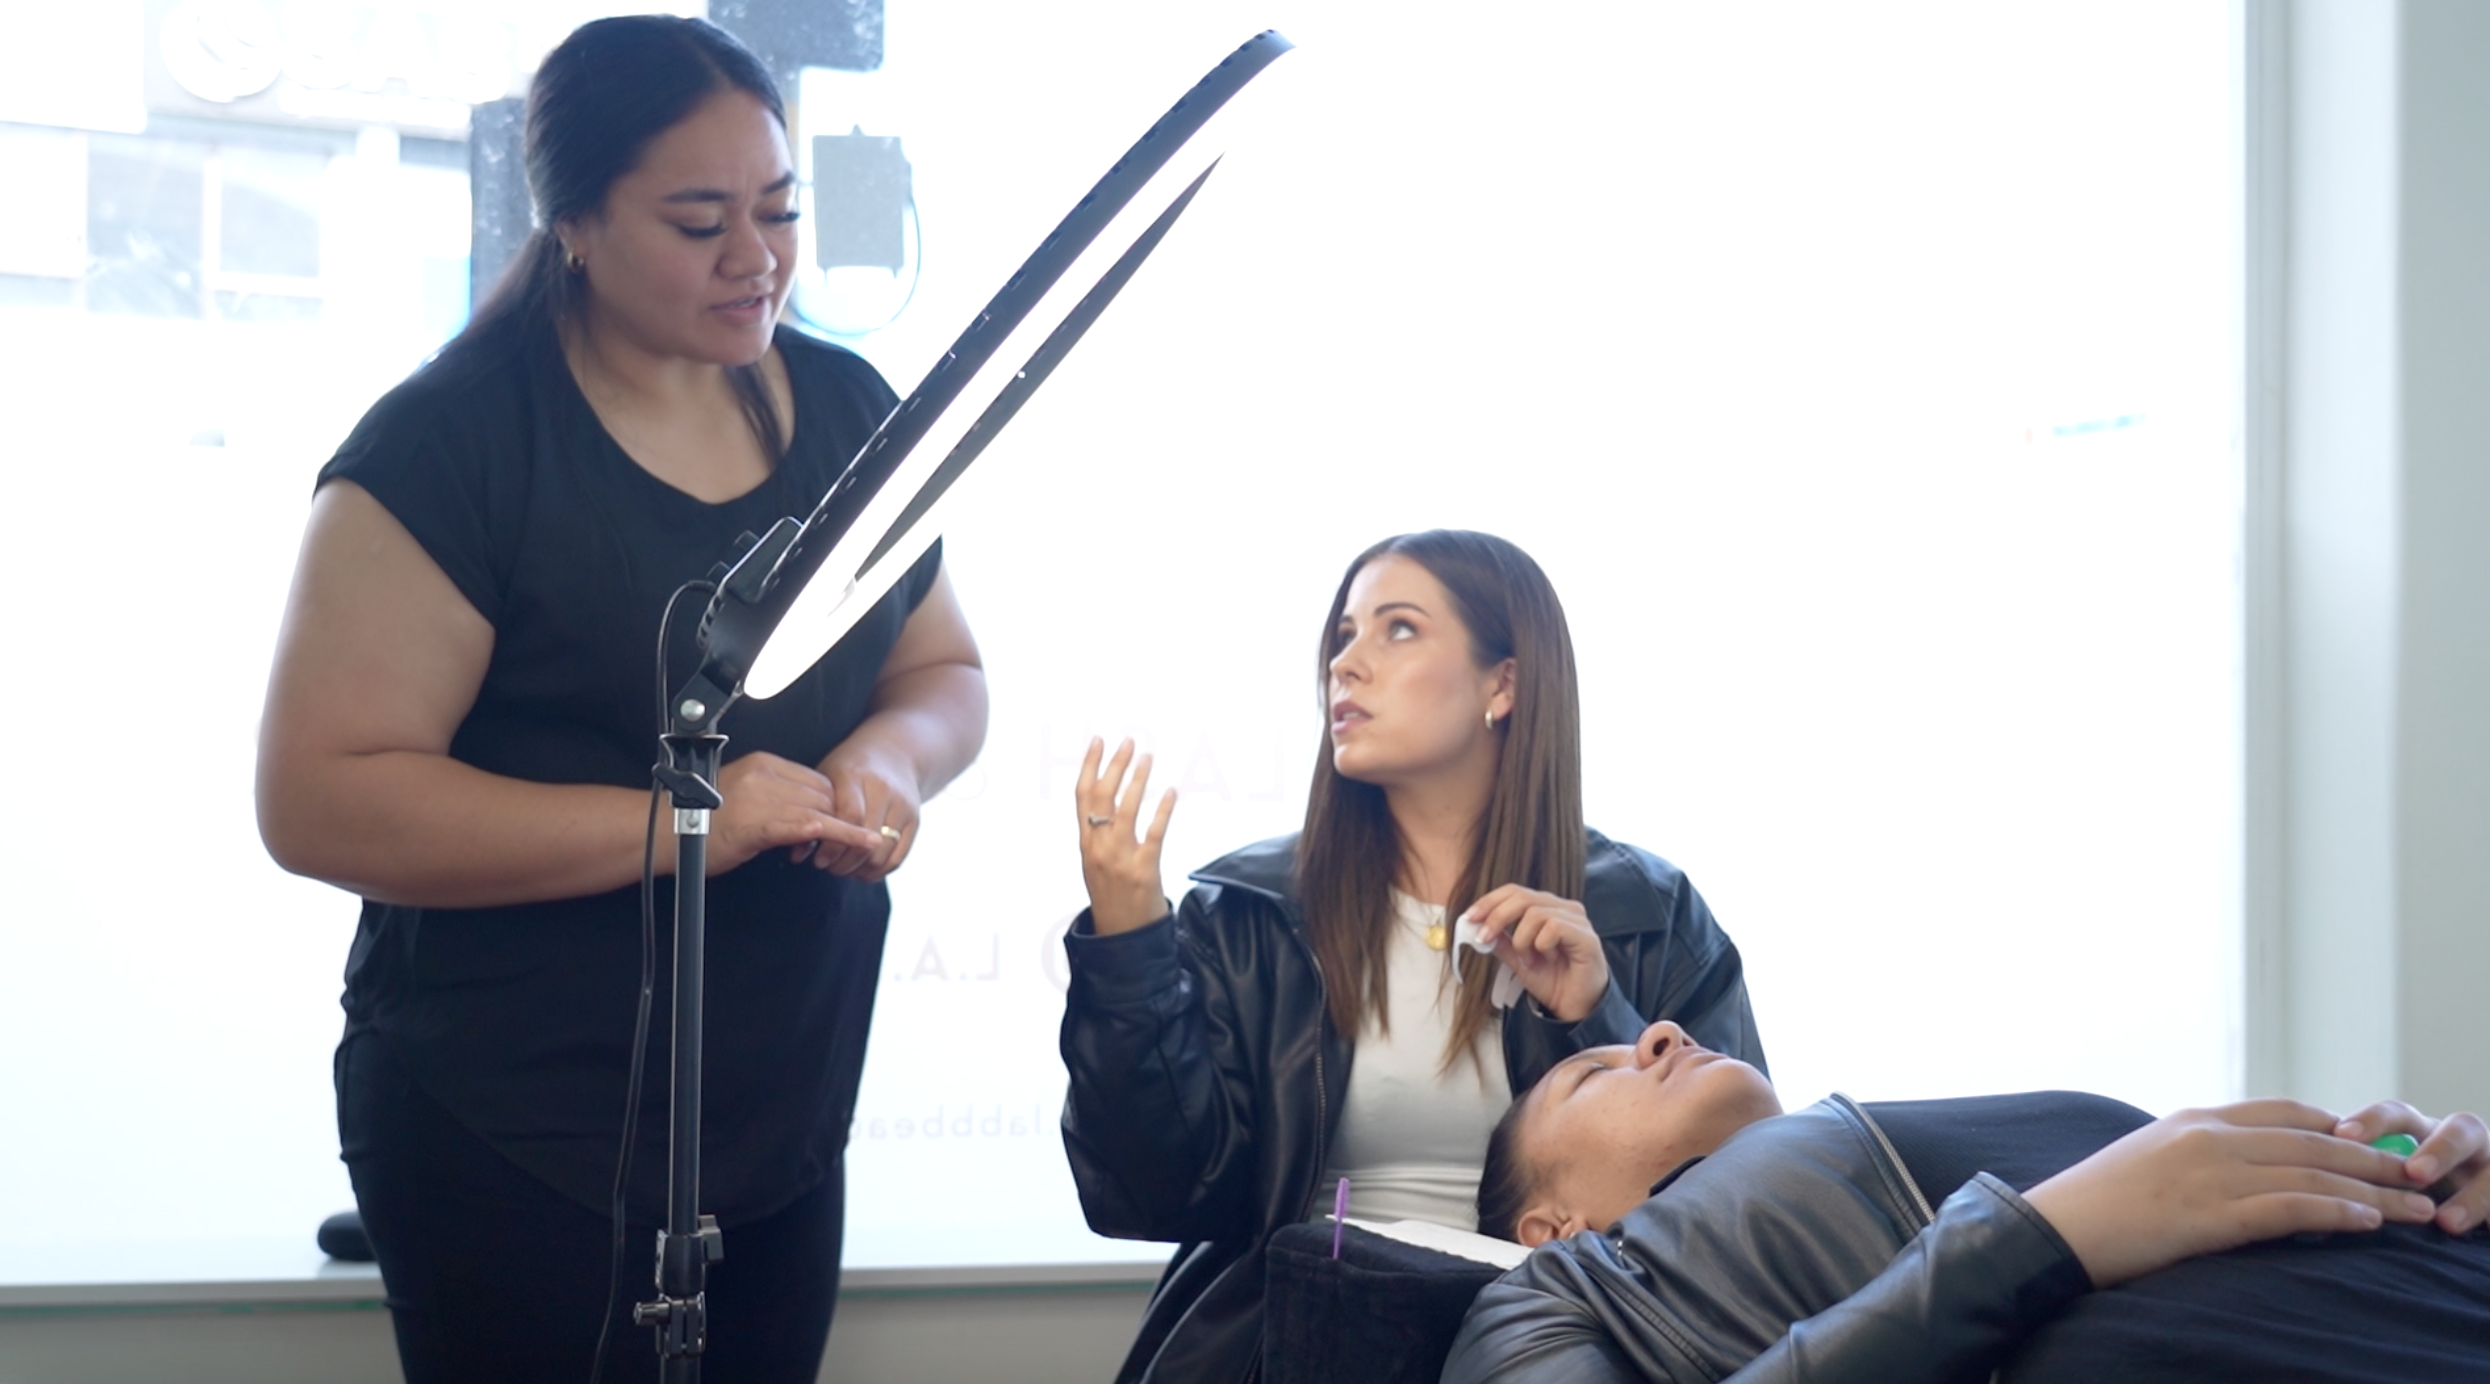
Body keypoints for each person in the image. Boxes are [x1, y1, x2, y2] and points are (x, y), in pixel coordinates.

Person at [254, 17, 986, 1382]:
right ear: (575, 221)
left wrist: (889, 765)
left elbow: (941, 671)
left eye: (777, 209)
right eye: (699, 220)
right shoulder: (452, 446)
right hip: (514, 1124)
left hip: (779, 1106)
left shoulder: (844, 413)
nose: (757, 256)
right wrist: (685, 823)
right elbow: (320, 796)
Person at [1059, 529, 1766, 1383]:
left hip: (1565, 1346)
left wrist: (1593, 1018)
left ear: (1503, 683)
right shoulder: (1244, 912)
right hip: (1289, 1345)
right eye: (1343, 636)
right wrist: (1130, 947)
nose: (1346, 665)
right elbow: (1152, 1193)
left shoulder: (1646, 914)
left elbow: (1748, 1195)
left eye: (1397, 629)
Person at [1447, 1020, 2490, 1383]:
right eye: (1598, 1072)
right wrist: (2044, 1233)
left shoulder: (1863, 1126)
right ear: (1551, 1227)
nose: (1662, 1032)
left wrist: (2431, 1171)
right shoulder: (1545, 1298)